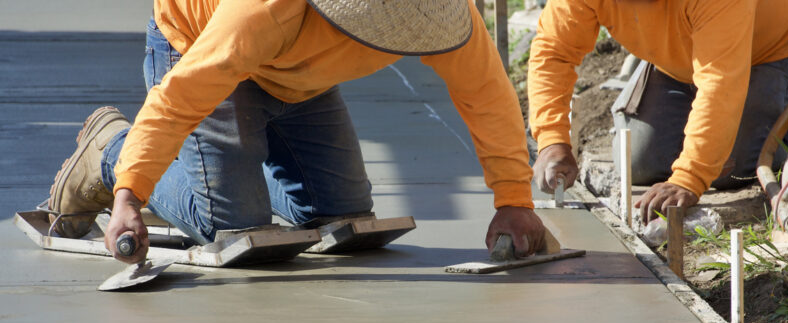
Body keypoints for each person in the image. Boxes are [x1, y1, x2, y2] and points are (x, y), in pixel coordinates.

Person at [48, 0, 545, 264]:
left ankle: (239, 160)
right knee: (233, 225)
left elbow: (485, 92)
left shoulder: (435, 11)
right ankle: (109, 146)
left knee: (344, 218)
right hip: (197, 44)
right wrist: (129, 194)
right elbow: (179, 99)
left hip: (299, 74)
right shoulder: (264, 10)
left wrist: (514, 200)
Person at [528, 0, 788, 224]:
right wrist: (552, 141)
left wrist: (690, 177)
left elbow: (719, 83)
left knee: (728, 169)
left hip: (771, 50)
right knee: (639, 163)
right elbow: (555, 53)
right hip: (680, 64)